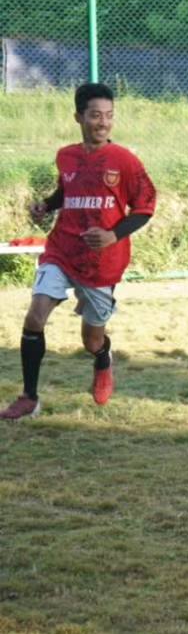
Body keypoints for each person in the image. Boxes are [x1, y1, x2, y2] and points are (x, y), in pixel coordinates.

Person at [2, 82, 157, 421]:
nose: (103, 123)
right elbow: (67, 191)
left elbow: (145, 207)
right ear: (79, 117)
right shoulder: (66, 156)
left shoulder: (124, 161)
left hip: (102, 263)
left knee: (90, 340)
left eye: (109, 116)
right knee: (34, 316)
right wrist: (47, 205)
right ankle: (29, 398)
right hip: (61, 250)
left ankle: (103, 359)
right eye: (95, 115)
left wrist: (113, 235)